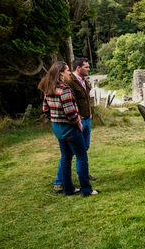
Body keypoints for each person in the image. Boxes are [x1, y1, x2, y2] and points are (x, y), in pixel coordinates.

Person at [38, 61, 100, 197]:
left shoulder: (49, 89)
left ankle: (69, 189)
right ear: (61, 73)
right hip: (70, 128)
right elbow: (71, 112)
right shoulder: (64, 89)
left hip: (58, 128)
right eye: (67, 71)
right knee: (82, 156)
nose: (69, 73)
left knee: (66, 157)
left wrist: (55, 119)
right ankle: (87, 190)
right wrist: (78, 123)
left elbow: (45, 109)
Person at [53, 58, 97, 192]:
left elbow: (86, 99)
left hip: (86, 118)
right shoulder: (69, 82)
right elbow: (68, 103)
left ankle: (81, 174)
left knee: (84, 148)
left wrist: (90, 114)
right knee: (71, 153)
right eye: (86, 67)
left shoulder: (85, 81)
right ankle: (59, 182)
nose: (89, 69)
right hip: (76, 121)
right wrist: (76, 120)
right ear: (78, 68)